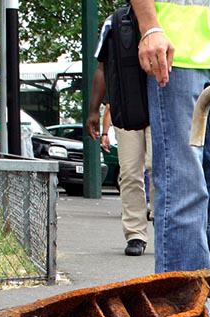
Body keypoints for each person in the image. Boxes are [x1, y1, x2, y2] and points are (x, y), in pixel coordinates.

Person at [130, 0, 210, 272]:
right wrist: (150, 26)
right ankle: (183, 298)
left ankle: (192, 279)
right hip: (176, 48)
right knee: (183, 184)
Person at [87, 15, 152, 257]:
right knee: (130, 172)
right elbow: (102, 68)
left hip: (161, 103)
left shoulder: (166, 14)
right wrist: (94, 110)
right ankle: (135, 233)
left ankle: (164, 221)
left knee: (158, 167)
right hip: (126, 107)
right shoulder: (113, 22)